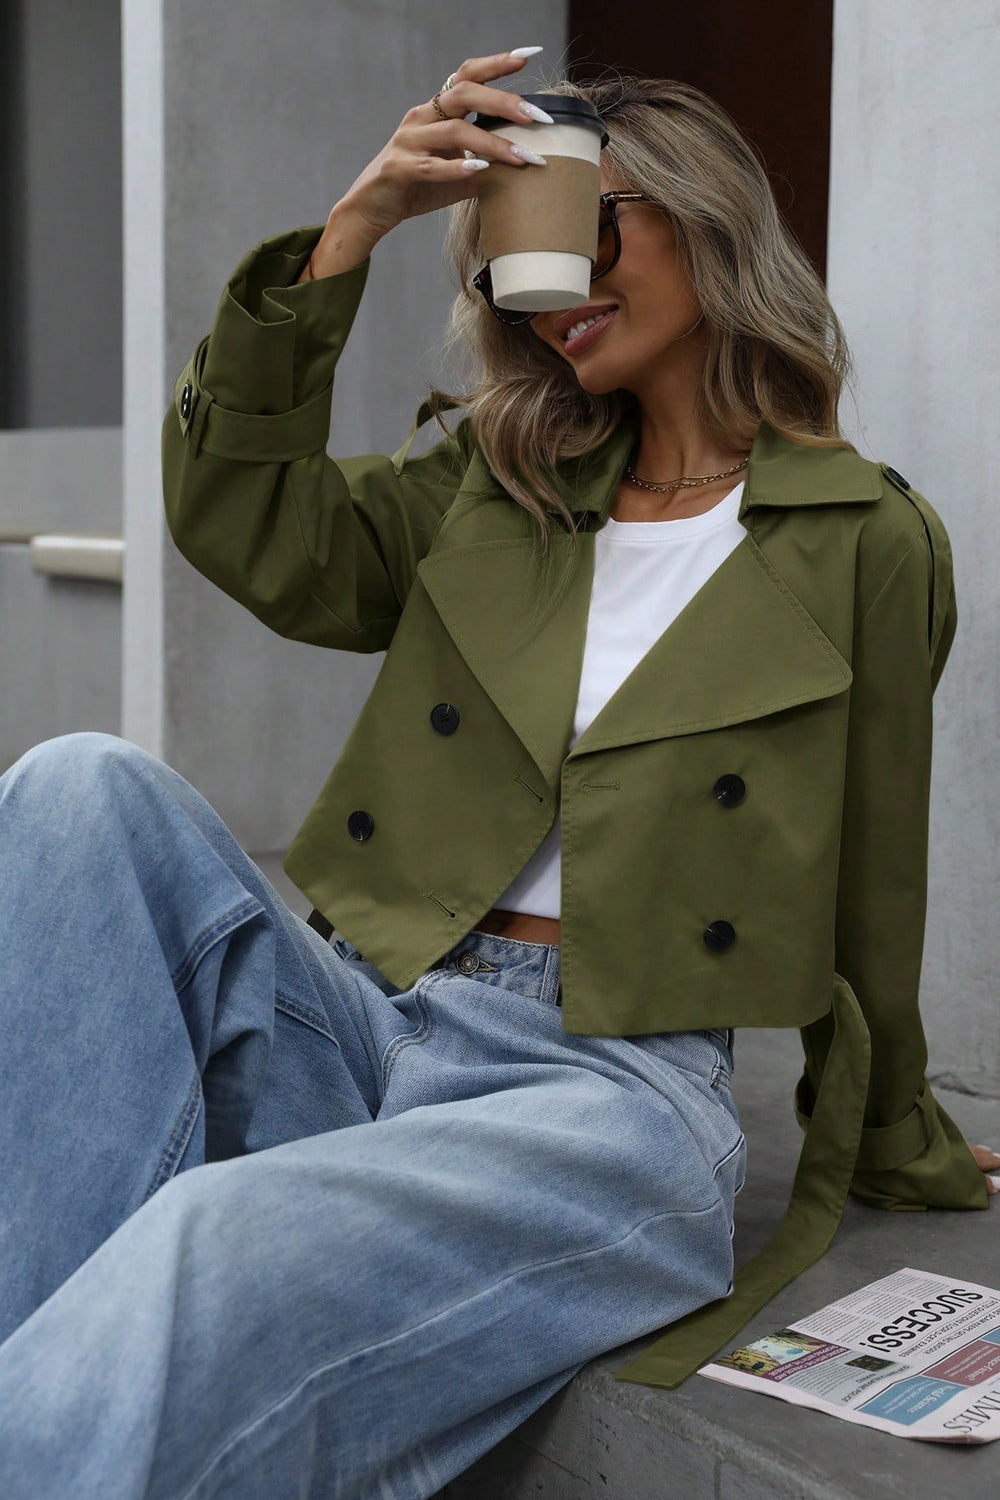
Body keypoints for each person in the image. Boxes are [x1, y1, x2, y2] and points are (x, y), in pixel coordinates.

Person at [0, 48, 996, 1498]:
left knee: (204, 1242)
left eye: (590, 225)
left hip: (610, 1095)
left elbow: (878, 872)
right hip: (377, 1015)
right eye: (515, 256)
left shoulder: (866, 540)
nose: (552, 284)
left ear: (703, 220)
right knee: (77, 783)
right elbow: (246, 517)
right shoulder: (499, 482)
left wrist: (898, 1131)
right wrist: (353, 231)